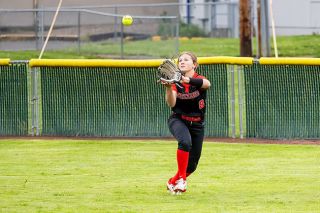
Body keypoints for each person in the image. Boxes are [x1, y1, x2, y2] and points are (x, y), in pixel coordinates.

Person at [160, 51, 211, 194]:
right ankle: (182, 180)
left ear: (194, 65)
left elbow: (207, 84)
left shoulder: (198, 79)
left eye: (186, 60)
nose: (181, 62)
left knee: (192, 165)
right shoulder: (174, 83)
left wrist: (188, 80)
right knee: (185, 142)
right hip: (178, 120)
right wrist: (169, 88)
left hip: (197, 124)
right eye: (180, 60)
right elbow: (171, 103)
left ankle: (172, 181)